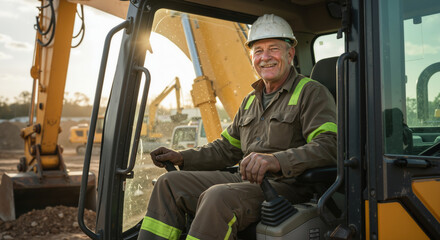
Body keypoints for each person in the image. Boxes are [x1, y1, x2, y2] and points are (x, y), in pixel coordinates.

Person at [138, 14, 337, 240]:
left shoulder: (311, 92)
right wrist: (182, 157)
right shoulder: (250, 100)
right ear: (252, 56)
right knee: (168, 184)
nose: (265, 57)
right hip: (247, 182)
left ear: (290, 53)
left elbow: (328, 146)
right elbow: (225, 149)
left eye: (273, 49)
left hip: (288, 187)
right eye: (258, 51)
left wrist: (276, 161)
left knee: (217, 197)